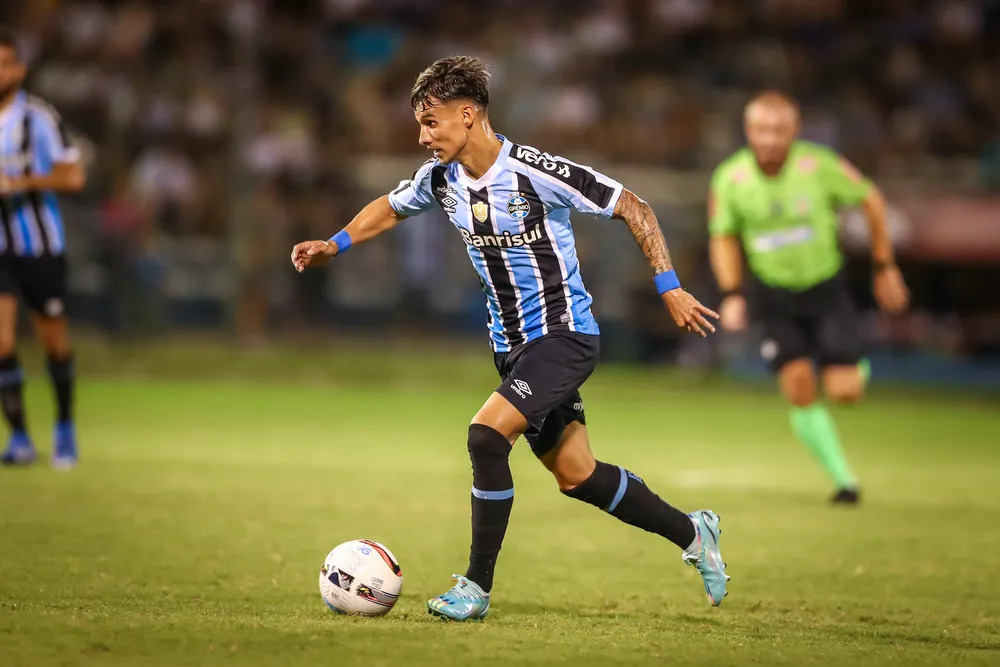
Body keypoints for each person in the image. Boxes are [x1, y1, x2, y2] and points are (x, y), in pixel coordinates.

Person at [292, 56, 729, 621]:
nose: (424, 136)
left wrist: (669, 286)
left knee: (484, 436)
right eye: (421, 125)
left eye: (433, 123)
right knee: (578, 475)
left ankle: (475, 587)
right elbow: (389, 208)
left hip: (564, 336)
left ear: (469, 115)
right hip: (512, 348)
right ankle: (694, 532)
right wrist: (335, 244)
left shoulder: (533, 171)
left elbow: (633, 206)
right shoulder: (441, 178)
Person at [708, 91, 909, 504]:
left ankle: (852, 359)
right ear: (748, 131)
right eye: (762, 130)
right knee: (798, 386)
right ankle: (845, 482)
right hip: (772, 294)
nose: (770, 139)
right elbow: (723, 236)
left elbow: (870, 198)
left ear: (795, 132)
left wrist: (884, 265)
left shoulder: (818, 166)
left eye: (779, 131)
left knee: (845, 392)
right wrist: (731, 293)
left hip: (825, 289)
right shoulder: (729, 178)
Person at [0, 27, 86, 468]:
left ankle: (65, 428)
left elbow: (73, 177)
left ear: (19, 68)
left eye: (4, 64)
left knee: (53, 341)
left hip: (40, 246)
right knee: (1, 340)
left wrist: (19, 182)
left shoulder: (39, 118)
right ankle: (18, 438)